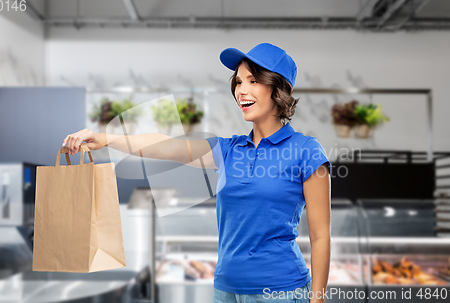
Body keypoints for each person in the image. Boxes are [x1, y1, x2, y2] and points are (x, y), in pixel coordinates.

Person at [62, 42, 331, 303]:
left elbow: (320, 237)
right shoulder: (229, 149)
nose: (241, 91)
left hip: (280, 291)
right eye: (238, 82)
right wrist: (105, 138)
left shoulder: (306, 151)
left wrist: (316, 300)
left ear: (278, 89)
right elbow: (167, 147)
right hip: (225, 289)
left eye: (253, 81)